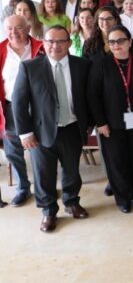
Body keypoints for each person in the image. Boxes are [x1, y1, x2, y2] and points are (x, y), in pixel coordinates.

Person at [13, 25, 91, 232]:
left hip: (72, 128)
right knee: (43, 174)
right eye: (50, 41)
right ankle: (48, 210)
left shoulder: (82, 65)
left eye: (60, 41)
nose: (55, 46)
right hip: (41, 132)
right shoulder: (30, 67)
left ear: (68, 43)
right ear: (44, 43)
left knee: (72, 170)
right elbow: (19, 103)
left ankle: (71, 202)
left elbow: (89, 97)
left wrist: (90, 123)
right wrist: (25, 133)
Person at [87, 25, 133, 213]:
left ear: (130, 42)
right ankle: (123, 199)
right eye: (112, 42)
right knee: (117, 161)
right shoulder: (101, 64)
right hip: (111, 123)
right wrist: (100, 122)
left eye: (120, 40)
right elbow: (93, 95)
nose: (116, 45)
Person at [0, 15, 44, 207]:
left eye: (18, 27)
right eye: (10, 28)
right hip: (10, 108)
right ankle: (23, 188)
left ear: (28, 28)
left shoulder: (42, 48)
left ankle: (44, 188)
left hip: (38, 108)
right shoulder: (1, 50)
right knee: (13, 152)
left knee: (41, 150)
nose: (14, 32)